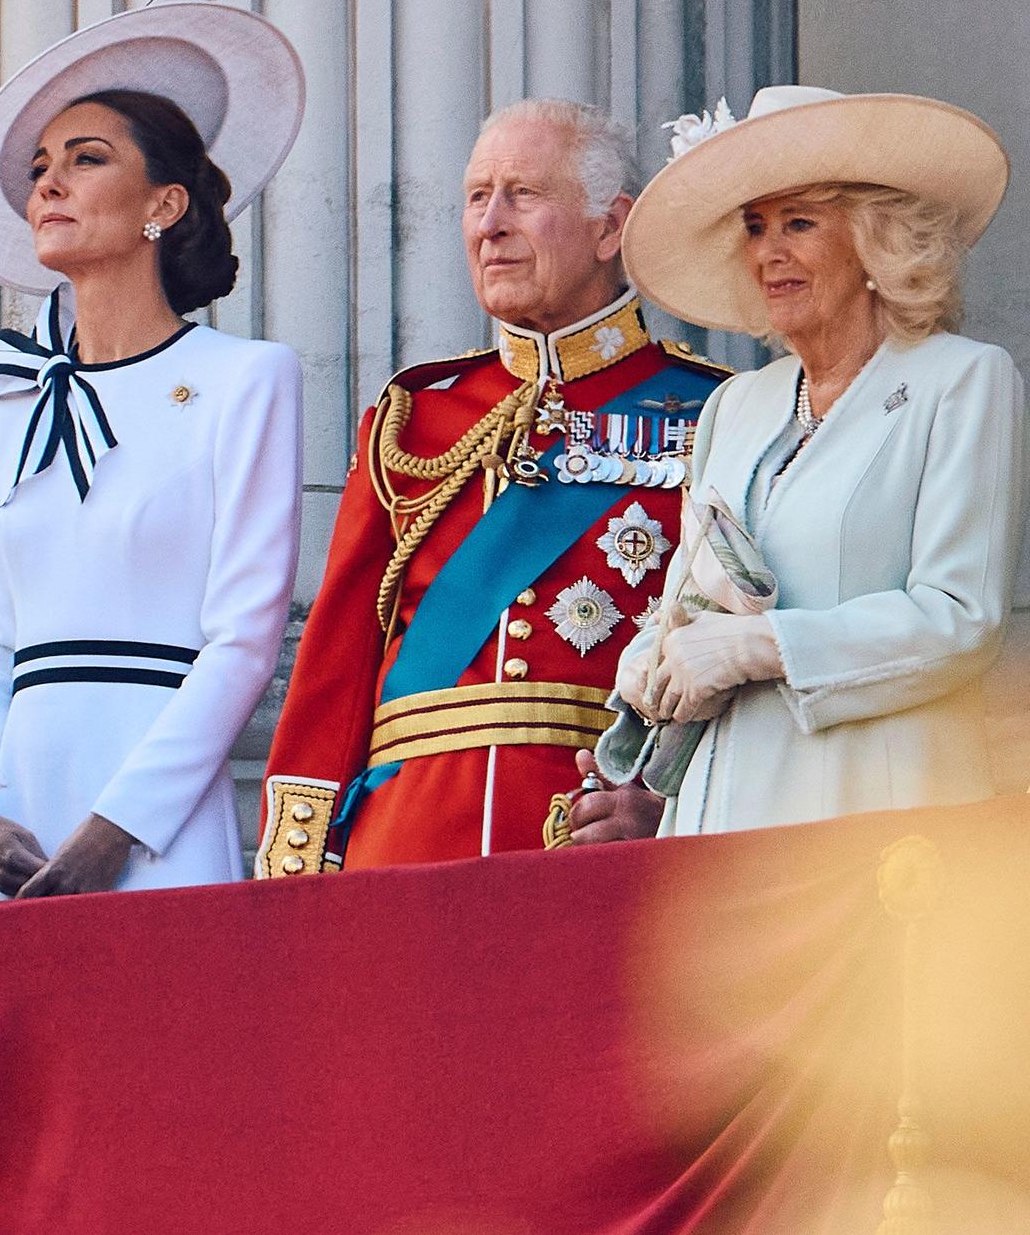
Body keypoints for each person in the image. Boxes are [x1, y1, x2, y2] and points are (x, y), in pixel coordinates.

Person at [259, 98, 730, 875]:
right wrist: (297, 870)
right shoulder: (412, 419)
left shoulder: (713, 411)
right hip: (402, 848)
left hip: (594, 841)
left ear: (611, 228)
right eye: (478, 197)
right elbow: (334, 669)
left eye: (524, 194)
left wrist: (677, 806)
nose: (490, 224)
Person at [0, 3, 306, 900]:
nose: (48, 185)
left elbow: (243, 640)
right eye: (40, 169)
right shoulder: (6, 395)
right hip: (17, 815)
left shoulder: (247, 379)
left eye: (86, 159)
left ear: (164, 205)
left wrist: (121, 825)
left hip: (159, 816)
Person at [603, 85, 1025, 833]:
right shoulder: (737, 405)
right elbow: (690, 592)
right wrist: (653, 654)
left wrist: (764, 646)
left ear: (875, 241)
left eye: (800, 222)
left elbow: (961, 618)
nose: (770, 251)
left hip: (876, 820)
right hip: (719, 818)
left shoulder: (959, 380)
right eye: (757, 227)